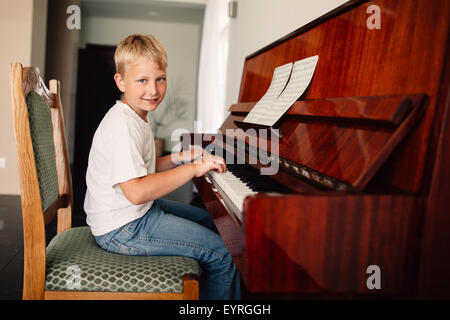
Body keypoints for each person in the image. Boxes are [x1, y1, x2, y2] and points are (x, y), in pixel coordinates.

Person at [83, 34, 240, 300]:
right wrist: (194, 168)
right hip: (123, 228)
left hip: (131, 215)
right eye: (142, 80)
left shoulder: (134, 116)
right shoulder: (122, 126)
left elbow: (141, 168)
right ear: (121, 81)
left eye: (160, 79)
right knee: (222, 251)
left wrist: (179, 158)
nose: (153, 90)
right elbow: (136, 191)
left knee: (215, 224)